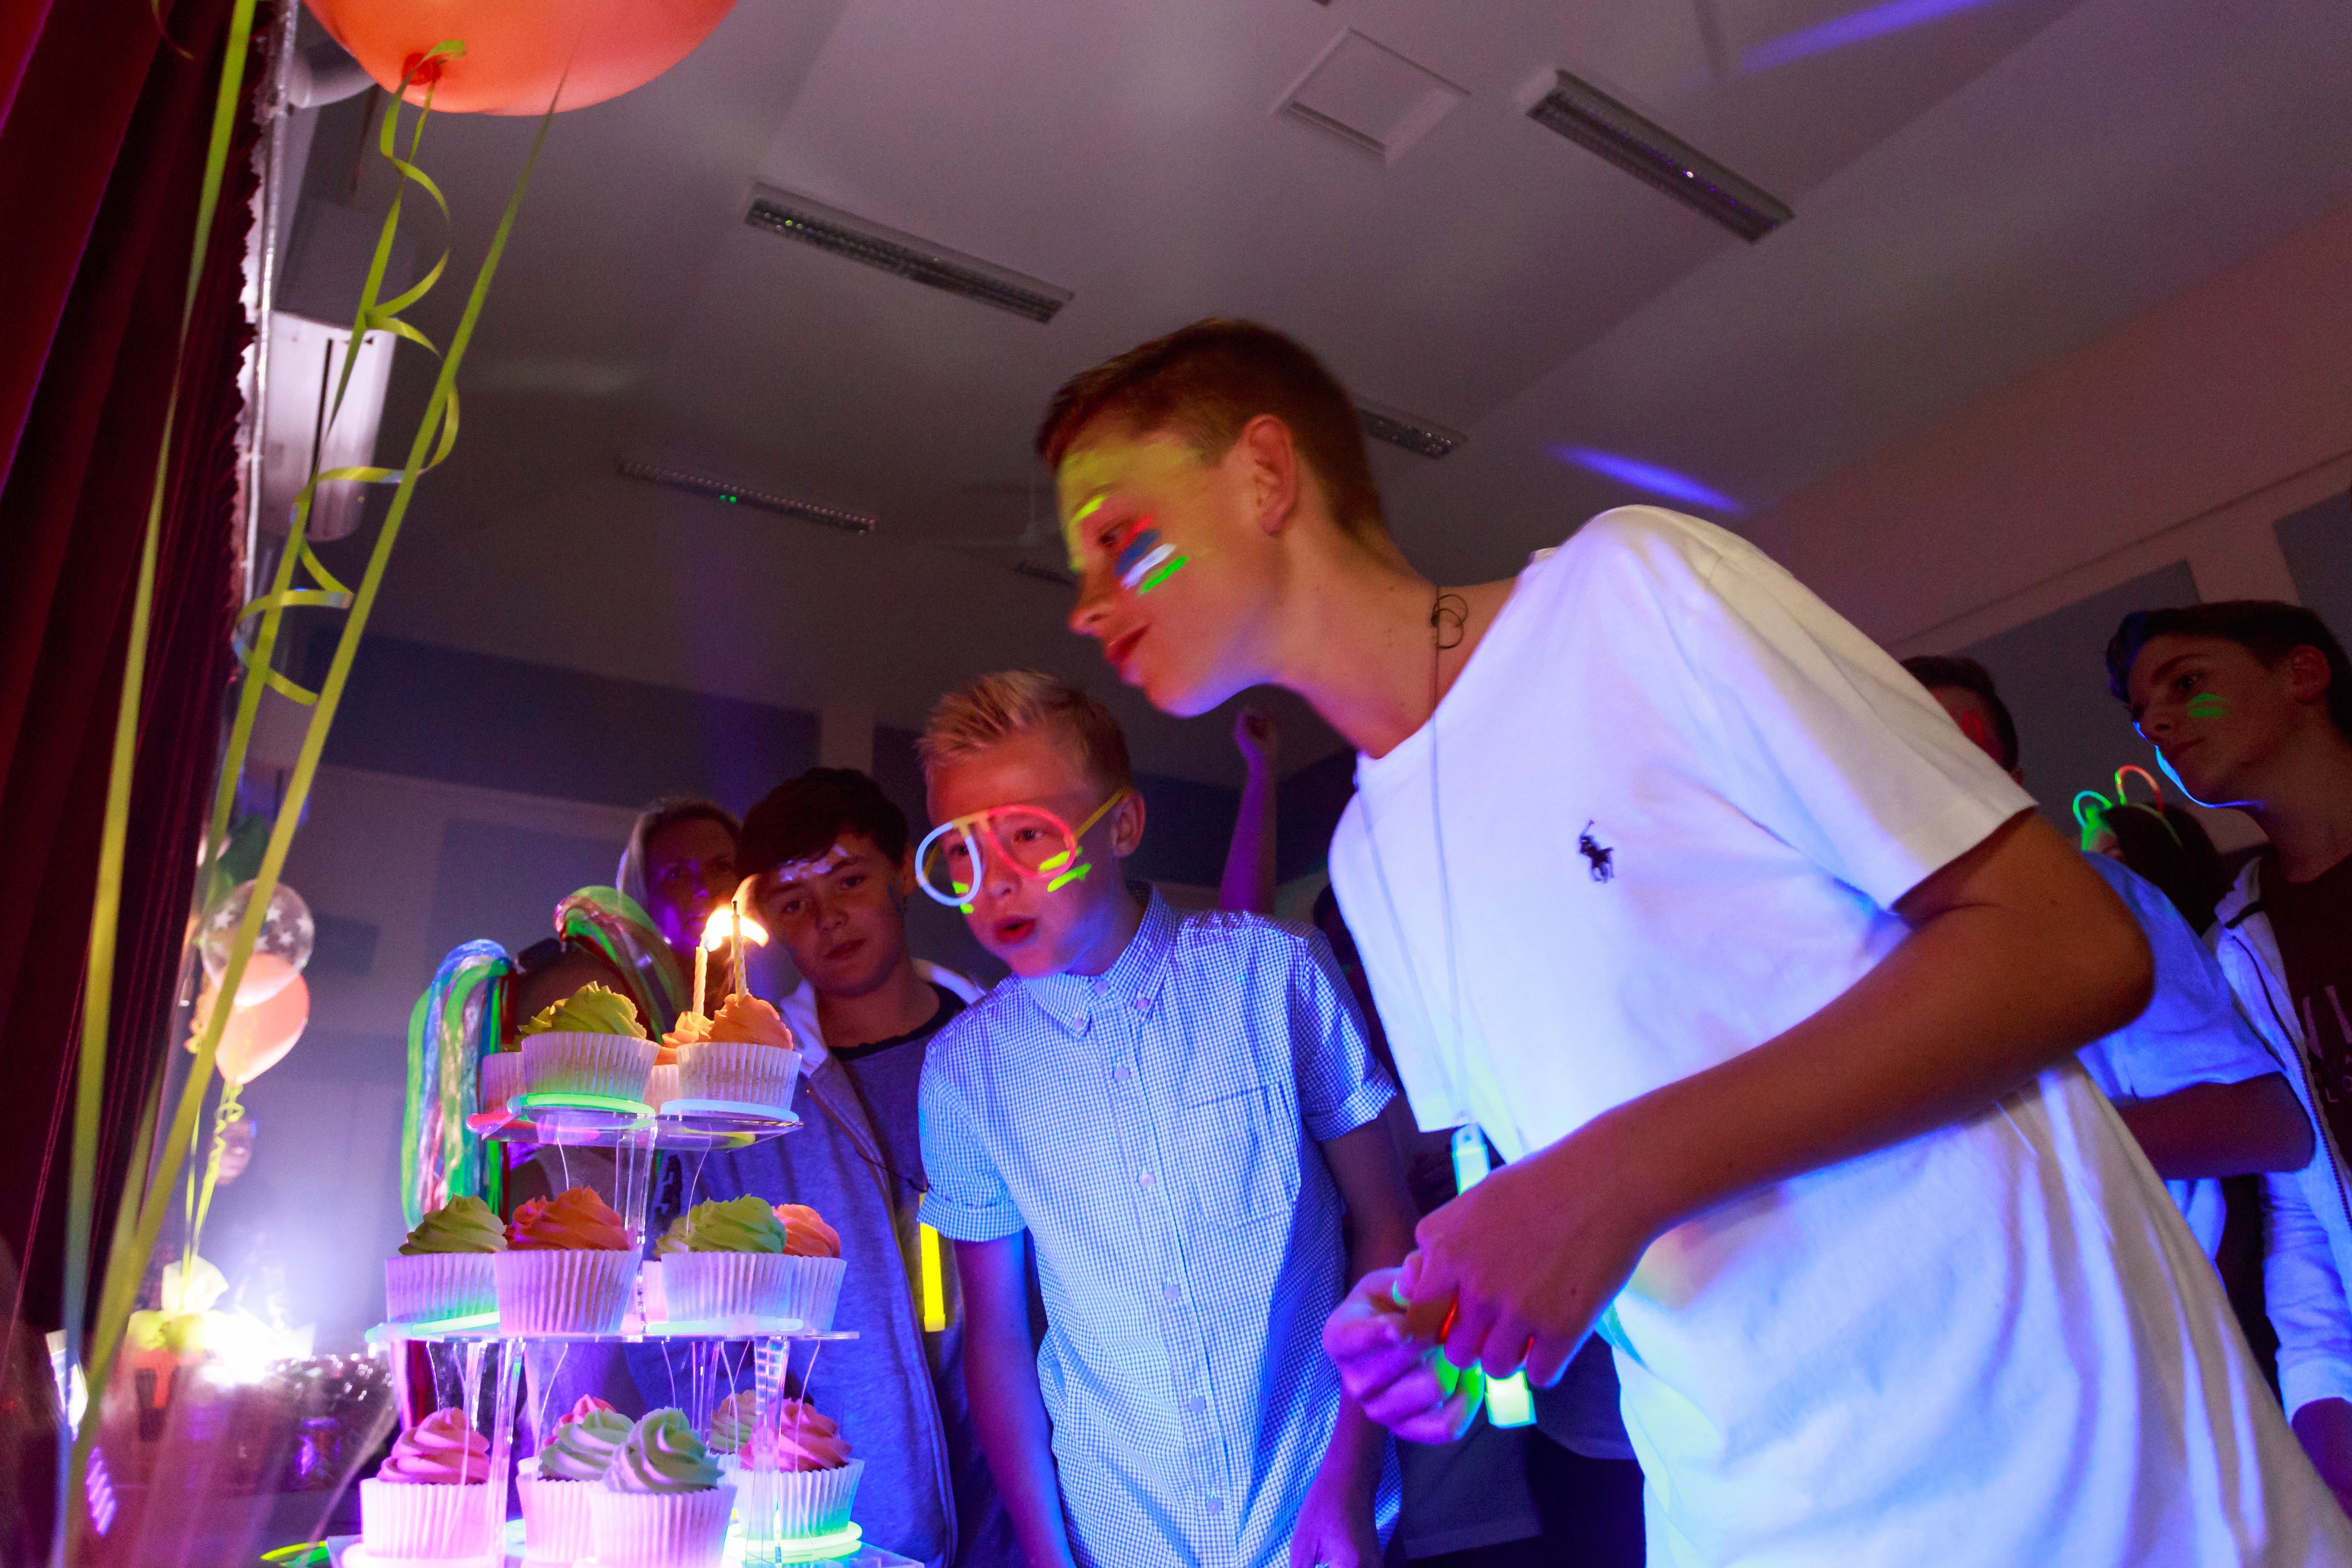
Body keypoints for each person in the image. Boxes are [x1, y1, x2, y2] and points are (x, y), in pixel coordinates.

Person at [1034, 317, 2351, 1565]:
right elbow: (1582, 1211)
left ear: (1265, 475)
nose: (1090, 602)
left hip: (2062, 1472)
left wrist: (1596, 1189)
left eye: (1122, 538)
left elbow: (2069, 948)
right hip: (1750, 1506)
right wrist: (1448, 1327)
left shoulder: (1630, 593)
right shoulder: (1371, 858)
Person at [914, 671, 1414, 1568]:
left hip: (1316, 1516)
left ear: (1121, 826)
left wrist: (1348, 1479)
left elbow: (1385, 1225)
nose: (994, 882)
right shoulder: (965, 1071)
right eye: (961, 851)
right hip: (1119, 1537)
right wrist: (1043, 1547)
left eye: (1029, 834)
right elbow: (993, 1333)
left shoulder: (1275, 979)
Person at [627, 768, 1015, 1568]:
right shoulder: (742, 1099)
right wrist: (747, 1424)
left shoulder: (1014, 1045)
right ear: (763, 918)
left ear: (904, 870)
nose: (830, 918)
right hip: (844, 1506)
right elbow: (670, 1307)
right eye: (794, 904)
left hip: (1036, 1492)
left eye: (850, 880)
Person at [1902, 652, 2309, 1257]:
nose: (1927, 775)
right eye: (1898, 747)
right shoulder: (1805, 930)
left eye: (1958, 753)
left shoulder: (2092, 898)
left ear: (2012, 785)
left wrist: (1992, 1159)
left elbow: (2263, 1125)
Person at [2108, 601, 2352, 1515]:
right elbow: (2305, 1190)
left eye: (2188, 684)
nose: (2162, 723)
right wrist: (2321, 1389)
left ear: (2304, 674)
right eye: (2144, 715)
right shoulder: (2241, 942)